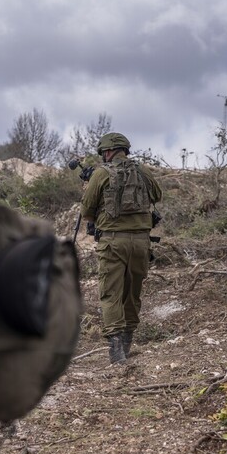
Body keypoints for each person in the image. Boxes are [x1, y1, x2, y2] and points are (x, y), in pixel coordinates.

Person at [81, 132, 162, 364]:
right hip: (141, 242)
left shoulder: (101, 173)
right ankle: (128, 341)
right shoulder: (143, 171)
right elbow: (158, 195)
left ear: (107, 151)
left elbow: (86, 211)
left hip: (113, 242)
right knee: (132, 292)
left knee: (110, 293)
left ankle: (116, 351)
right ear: (124, 149)